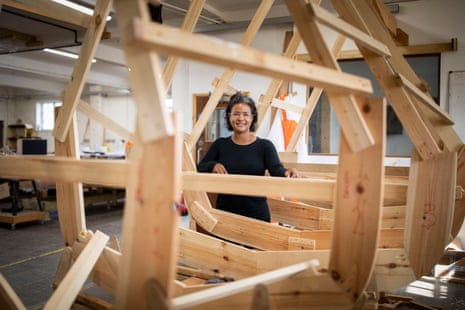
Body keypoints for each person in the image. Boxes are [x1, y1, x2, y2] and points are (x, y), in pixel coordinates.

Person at [197, 92, 299, 222]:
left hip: (256, 214)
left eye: (246, 114)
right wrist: (212, 165)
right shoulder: (220, 145)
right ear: (229, 117)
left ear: (252, 118)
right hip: (225, 215)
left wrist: (287, 172)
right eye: (236, 114)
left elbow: (276, 170)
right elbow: (200, 167)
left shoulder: (265, 146)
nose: (241, 118)